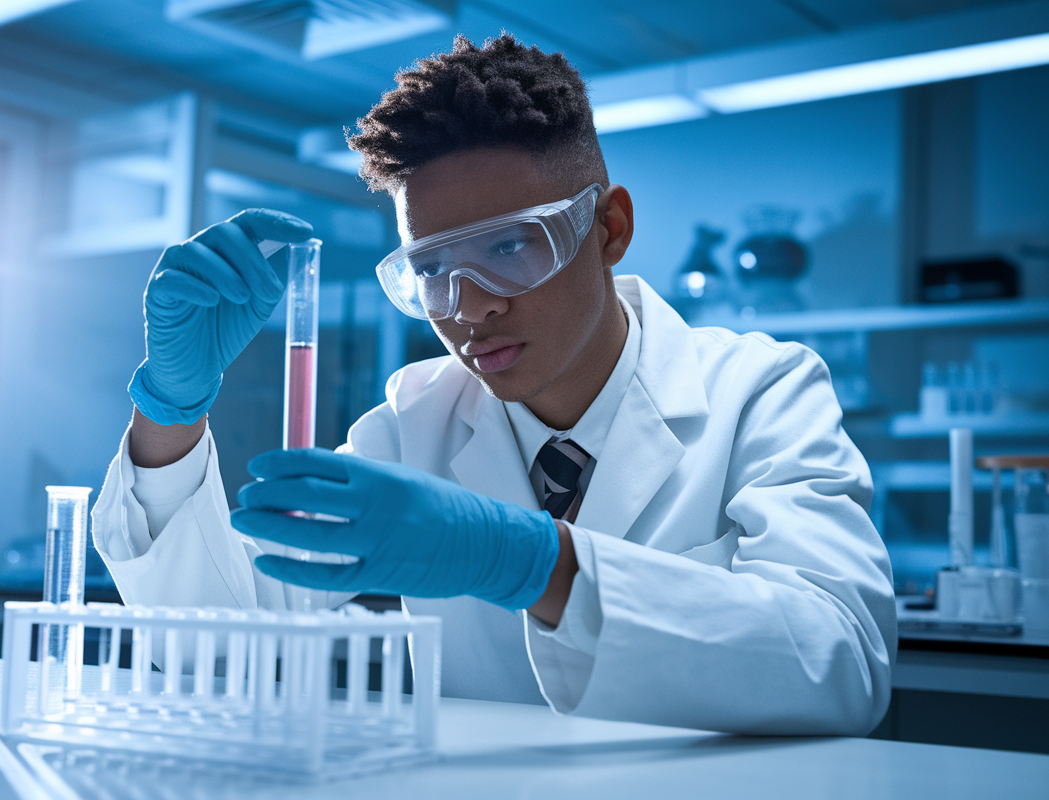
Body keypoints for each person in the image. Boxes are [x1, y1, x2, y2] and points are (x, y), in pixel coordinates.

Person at [92, 33, 896, 736]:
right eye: (431, 269)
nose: (468, 306)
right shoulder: (414, 422)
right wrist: (171, 410)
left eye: (510, 247)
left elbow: (843, 663)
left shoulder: (761, 391)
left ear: (607, 230)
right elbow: (227, 646)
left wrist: (528, 562)